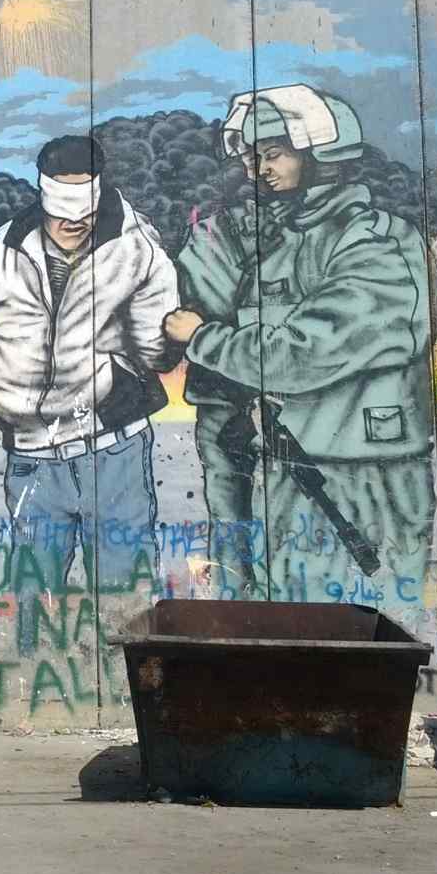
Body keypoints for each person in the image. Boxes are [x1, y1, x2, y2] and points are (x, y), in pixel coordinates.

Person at [162, 84, 435, 622]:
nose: (259, 170)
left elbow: (305, 351)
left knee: (355, 631)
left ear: (322, 153)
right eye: (252, 157)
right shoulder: (282, 240)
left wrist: (202, 337)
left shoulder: (376, 242)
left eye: (275, 154)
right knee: (287, 623)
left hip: (363, 473)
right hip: (297, 465)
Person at [0, 134, 179, 651]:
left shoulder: (137, 248)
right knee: (31, 600)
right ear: (43, 192)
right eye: (62, 206)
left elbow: (156, 349)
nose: (73, 221)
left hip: (110, 447)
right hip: (31, 454)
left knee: (124, 595)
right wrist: (5, 384)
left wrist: (114, 375)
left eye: (83, 206)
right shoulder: (3, 249)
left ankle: (127, 689)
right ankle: (31, 684)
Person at [174, 107, 264, 596]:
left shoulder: (212, 235)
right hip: (226, 396)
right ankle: (236, 599)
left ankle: (240, 598)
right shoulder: (210, 235)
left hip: (230, 391)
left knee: (241, 514)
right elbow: (211, 306)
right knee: (232, 515)